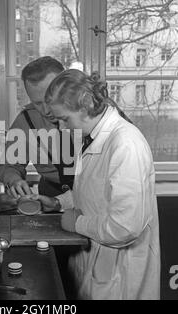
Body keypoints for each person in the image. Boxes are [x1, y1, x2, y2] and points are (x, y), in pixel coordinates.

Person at [31, 69, 160, 300]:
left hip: (121, 277)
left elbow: (125, 227)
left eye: (64, 119)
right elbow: (93, 190)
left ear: (85, 107)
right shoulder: (92, 137)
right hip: (96, 265)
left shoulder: (126, 144)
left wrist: (77, 223)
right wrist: (58, 203)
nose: (61, 127)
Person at [0, 56, 74, 198]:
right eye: (37, 103)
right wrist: (15, 181)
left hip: (97, 195)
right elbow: (9, 166)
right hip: (52, 194)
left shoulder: (92, 113)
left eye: (50, 100)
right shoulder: (26, 121)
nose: (46, 110)